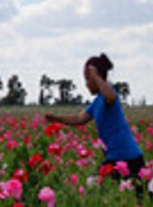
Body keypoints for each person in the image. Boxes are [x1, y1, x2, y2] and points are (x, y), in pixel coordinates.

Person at [45, 53, 144, 182]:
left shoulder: (109, 93)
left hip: (130, 159)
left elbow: (111, 97)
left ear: (98, 77)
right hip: (113, 158)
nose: (86, 84)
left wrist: (95, 76)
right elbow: (79, 119)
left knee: (137, 198)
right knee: (95, 185)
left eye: (88, 79)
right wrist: (56, 118)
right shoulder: (97, 102)